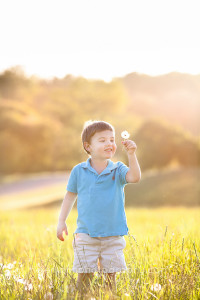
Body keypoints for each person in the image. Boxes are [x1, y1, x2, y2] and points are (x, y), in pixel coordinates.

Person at [57, 120, 141, 294]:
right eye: (102, 141)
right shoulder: (79, 171)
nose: (109, 144)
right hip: (86, 233)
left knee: (110, 277)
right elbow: (70, 196)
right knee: (84, 275)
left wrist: (131, 155)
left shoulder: (118, 169)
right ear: (88, 146)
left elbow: (134, 177)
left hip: (113, 234)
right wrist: (61, 221)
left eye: (112, 140)